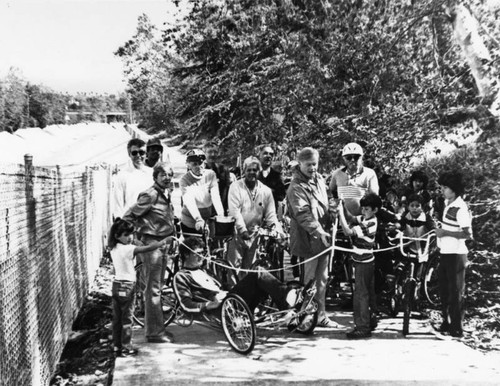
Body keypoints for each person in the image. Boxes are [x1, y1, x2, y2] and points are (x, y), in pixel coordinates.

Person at [173, 237, 305, 316]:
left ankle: (288, 307)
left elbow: (223, 287)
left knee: (260, 277)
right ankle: (289, 298)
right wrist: (208, 304)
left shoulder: (205, 270)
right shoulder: (181, 276)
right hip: (222, 306)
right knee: (258, 272)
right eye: (197, 254)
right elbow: (185, 305)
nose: (202, 256)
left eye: (203, 253)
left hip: (230, 298)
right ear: (186, 255)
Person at [123, 162, 176, 343]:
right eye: (163, 175)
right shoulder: (150, 194)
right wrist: (132, 238)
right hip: (152, 246)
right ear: (156, 177)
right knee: (153, 290)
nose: (167, 178)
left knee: (157, 289)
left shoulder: (165, 193)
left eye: (170, 174)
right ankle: (154, 333)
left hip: (163, 244)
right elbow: (129, 216)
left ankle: (157, 329)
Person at [286, 147, 337, 327]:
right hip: (308, 239)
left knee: (323, 279)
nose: (313, 168)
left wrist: (333, 210)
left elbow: (329, 199)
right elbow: (303, 214)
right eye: (308, 165)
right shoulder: (295, 187)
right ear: (300, 164)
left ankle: (321, 315)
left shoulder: (320, 180)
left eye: (315, 164)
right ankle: (305, 317)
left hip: (323, 239)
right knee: (309, 281)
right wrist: (318, 230)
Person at [108, 218, 171, 356]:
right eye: (126, 235)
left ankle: (116, 346)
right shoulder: (128, 249)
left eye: (131, 234)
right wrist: (161, 243)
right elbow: (147, 248)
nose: (130, 237)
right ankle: (126, 347)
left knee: (117, 319)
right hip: (128, 287)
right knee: (127, 319)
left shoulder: (113, 248)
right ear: (117, 236)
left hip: (116, 285)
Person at [227, 156, 284, 277]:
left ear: (259, 171)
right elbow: (234, 211)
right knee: (234, 269)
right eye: (249, 170)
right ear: (244, 171)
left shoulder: (266, 191)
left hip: (255, 234)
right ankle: (234, 294)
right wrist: (242, 230)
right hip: (237, 233)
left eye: (255, 170)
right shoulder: (235, 187)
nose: (252, 173)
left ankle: (247, 295)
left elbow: (271, 215)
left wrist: (279, 232)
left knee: (250, 269)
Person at [338, 193, 382, 339]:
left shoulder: (370, 223)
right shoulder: (364, 218)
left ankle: (362, 326)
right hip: (364, 260)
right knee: (368, 291)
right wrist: (343, 205)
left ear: (375, 210)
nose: (363, 211)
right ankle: (371, 319)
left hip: (364, 262)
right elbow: (351, 218)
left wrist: (339, 214)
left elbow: (348, 231)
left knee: (360, 294)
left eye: (367, 209)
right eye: (362, 208)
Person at [435, 171, 472, 338]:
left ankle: (457, 328)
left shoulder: (461, 207)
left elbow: (468, 234)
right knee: (444, 290)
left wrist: (445, 233)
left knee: (456, 291)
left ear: (454, 189)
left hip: (457, 254)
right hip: (445, 252)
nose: (442, 190)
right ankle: (446, 322)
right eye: (442, 187)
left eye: (445, 187)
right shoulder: (447, 203)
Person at [180, 149, 225, 234]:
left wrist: (221, 215)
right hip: (190, 221)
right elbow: (189, 201)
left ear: (204, 163)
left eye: (200, 163)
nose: (198, 166)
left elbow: (215, 196)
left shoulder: (211, 174)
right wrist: (198, 218)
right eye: (194, 164)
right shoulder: (184, 180)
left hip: (207, 219)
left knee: (211, 244)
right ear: (188, 165)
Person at [329, 142, 379, 216]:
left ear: (361, 157)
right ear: (344, 158)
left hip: (362, 218)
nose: (352, 160)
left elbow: (374, 197)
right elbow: (331, 191)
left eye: (356, 157)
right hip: (342, 219)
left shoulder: (369, 173)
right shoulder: (337, 174)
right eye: (348, 157)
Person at [112, 138, 152, 218]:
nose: (138, 156)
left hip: (150, 225)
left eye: (141, 152)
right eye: (134, 153)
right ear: (129, 154)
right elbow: (118, 205)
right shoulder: (122, 176)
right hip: (131, 224)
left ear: (146, 154)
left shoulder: (151, 174)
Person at [203, 141, 232, 214]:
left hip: (219, 211)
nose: (213, 154)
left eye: (215, 152)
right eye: (210, 152)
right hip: (203, 210)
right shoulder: (199, 170)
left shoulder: (223, 170)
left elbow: (227, 190)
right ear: (204, 153)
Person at [258, 145, 287, 211]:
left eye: (271, 154)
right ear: (260, 155)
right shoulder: (253, 174)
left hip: (271, 214)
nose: (268, 156)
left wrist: (269, 191)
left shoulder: (277, 176)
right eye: (265, 153)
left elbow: (281, 196)